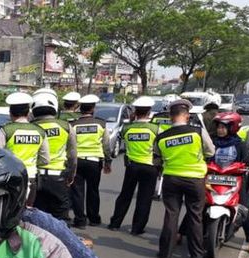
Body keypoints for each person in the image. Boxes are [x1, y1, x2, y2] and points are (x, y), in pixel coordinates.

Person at [153, 99, 215, 258]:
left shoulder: (161, 137)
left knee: (171, 214)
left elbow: (157, 160)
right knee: (195, 216)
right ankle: (196, 255)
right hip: (195, 180)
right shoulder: (198, 132)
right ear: (187, 116)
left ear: (170, 117)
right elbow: (210, 151)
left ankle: (165, 253)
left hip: (171, 179)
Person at [208, 112, 249, 255]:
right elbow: (205, 156)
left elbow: (248, 162)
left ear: (232, 128)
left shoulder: (239, 145)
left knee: (244, 209)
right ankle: (181, 233)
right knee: (198, 204)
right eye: (219, 127)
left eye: (224, 127)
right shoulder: (212, 142)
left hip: (234, 180)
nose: (220, 130)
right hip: (213, 178)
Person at [108, 97, 160, 235]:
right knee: (144, 198)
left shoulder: (127, 128)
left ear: (136, 111)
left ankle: (115, 223)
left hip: (132, 167)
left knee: (125, 195)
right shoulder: (156, 129)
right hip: (150, 167)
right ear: (149, 112)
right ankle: (137, 228)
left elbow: (122, 139)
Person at [0, 92, 50, 205]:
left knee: (9, 211)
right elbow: (45, 159)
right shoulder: (39, 131)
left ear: (11, 113)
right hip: (31, 177)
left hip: (10, 177)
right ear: (28, 113)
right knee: (28, 212)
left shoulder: (7, 130)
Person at [31, 92, 78, 221]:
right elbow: (73, 155)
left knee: (36, 218)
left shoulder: (30, 128)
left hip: (36, 179)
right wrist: (72, 174)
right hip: (58, 178)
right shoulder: (66, 127)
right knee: (61, 217)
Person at [70, 94, 112, 229]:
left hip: (78, 161)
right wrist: (107, 162)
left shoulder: (73, 125)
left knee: (77, 191)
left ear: (80, 109)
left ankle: (80, 220)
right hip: (94, 162)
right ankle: (94, 218)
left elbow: (71, 146)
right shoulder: (101, 124)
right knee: (93, 190)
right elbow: (106, 144)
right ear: (93, 108)